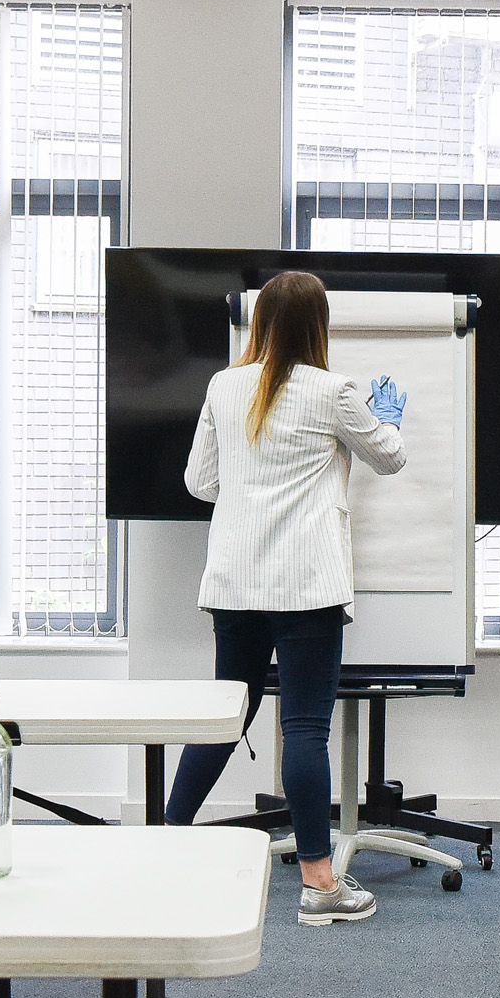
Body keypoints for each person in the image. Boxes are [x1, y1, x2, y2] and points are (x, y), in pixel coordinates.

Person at [160, 271, 407, 925]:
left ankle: (163, 846)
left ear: (262, 322)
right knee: (303, 729)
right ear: (317, 325)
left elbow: (198, 482)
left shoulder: (223, 384)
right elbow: (391, 459)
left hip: (236, 584)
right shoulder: (335, 392)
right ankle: (321, 887)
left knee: (226, 719)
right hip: (306, 588)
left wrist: (253, 488)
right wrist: (388, 418)